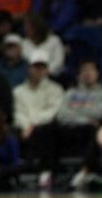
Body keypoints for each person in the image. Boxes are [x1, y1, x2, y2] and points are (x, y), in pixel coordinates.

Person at [12, 50, 63, 189]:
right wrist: (26, 126)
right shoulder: (18, 91)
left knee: (49, 129)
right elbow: (18, 112)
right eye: (36, 67)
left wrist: (32, 125)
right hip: (23, 128)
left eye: (42, 67)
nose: (39, 70)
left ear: (47, 69)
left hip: (43, 128)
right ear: (29, 68)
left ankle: (46, 172)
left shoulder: (56, 90)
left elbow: (52, 112)